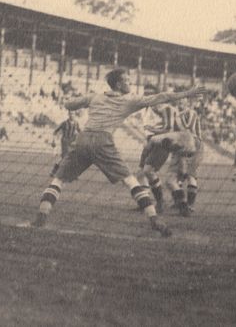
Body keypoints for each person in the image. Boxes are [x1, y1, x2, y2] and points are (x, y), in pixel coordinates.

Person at [31, 68, 207, 237]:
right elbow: (161, 97)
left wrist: (77, 102)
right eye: (127, 80)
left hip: (83, 139)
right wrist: (187, 93)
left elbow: (69, 104)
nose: (130, 82)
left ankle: (42, 215)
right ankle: (154, 219)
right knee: (130, 180)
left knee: (59, 179)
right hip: (103, 141)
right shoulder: (129, 101)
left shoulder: (95, 96)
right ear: (118, 84)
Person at [165, 100, 203, 216]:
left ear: (188, 103)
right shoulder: (179, 114)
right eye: (180, 101)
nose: (181, 103)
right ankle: (182, 203)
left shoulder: (189, 113)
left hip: (190, 144)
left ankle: (187, 205)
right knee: (181, 175)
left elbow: (186, 129)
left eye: (183, 101)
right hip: (189, 144)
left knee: (188, 175)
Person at [50, 110, 81, 177]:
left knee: (72, 157)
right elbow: (55, 131)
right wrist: (53, 140)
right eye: (70, 114)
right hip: (65, 141)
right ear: (68, 115)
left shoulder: (76, 123)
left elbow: (80, 131)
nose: (71, 115)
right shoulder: (64, 123)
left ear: (75, 115)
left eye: (73, 114)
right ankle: (56, 171)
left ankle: (56, 171)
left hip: (72, 141)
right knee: (65, 158)